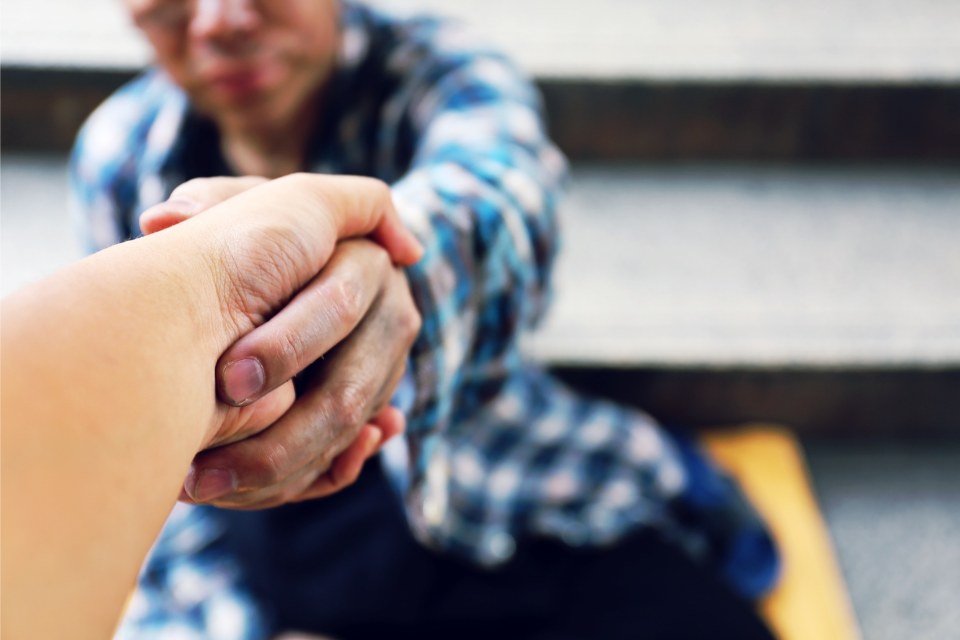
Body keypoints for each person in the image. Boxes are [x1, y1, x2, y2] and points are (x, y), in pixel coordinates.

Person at [70, 1, 780, 637]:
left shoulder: (439, 70)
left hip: (489, 485)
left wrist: (385, 260)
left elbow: (498, 195)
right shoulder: (120, 154)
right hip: (286, 548)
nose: (220, 21)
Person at [1, 174, 422, 640]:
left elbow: (482, 203)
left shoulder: (462, 110)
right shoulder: (118, 154)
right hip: (245, 580)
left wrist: (388, 260)